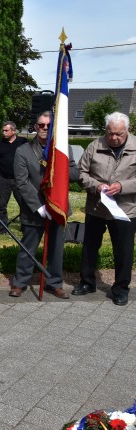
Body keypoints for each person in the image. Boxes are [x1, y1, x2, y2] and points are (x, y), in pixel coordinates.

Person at [9, 111, 79, 299]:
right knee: (28, 248)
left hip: (58, 207)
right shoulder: (23, 151)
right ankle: (20, 282)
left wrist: (59, 167)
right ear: (35, 127)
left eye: (49, 126)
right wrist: (39, 206)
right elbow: (21, 182)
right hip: (35, 209)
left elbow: (74, 173)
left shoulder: (64, 149)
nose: (45, 129)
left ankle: (54, 283)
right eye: (41, 125)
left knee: (57, 249)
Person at [72, 112, 136, 306]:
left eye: (119, 134)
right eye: (110, 133)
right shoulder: (95, 145)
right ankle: (87, 282)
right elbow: (80, 172)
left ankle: (120, 289)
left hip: (126, 208)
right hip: (96, 207)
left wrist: (123, 186)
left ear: (128, 130)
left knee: (124, 251)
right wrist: (96, 185)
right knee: (90, 247)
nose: (114, 138)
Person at [0, 121, 27, 233]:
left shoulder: (23, 142)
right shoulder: (0, 144)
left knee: (24, 203)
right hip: (3, 178)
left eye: (6, 130)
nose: (4, 133)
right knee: (1, 204)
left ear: (13, 131)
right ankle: (2, 228)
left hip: (19, 178)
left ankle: (25, 227)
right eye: (3, 130)